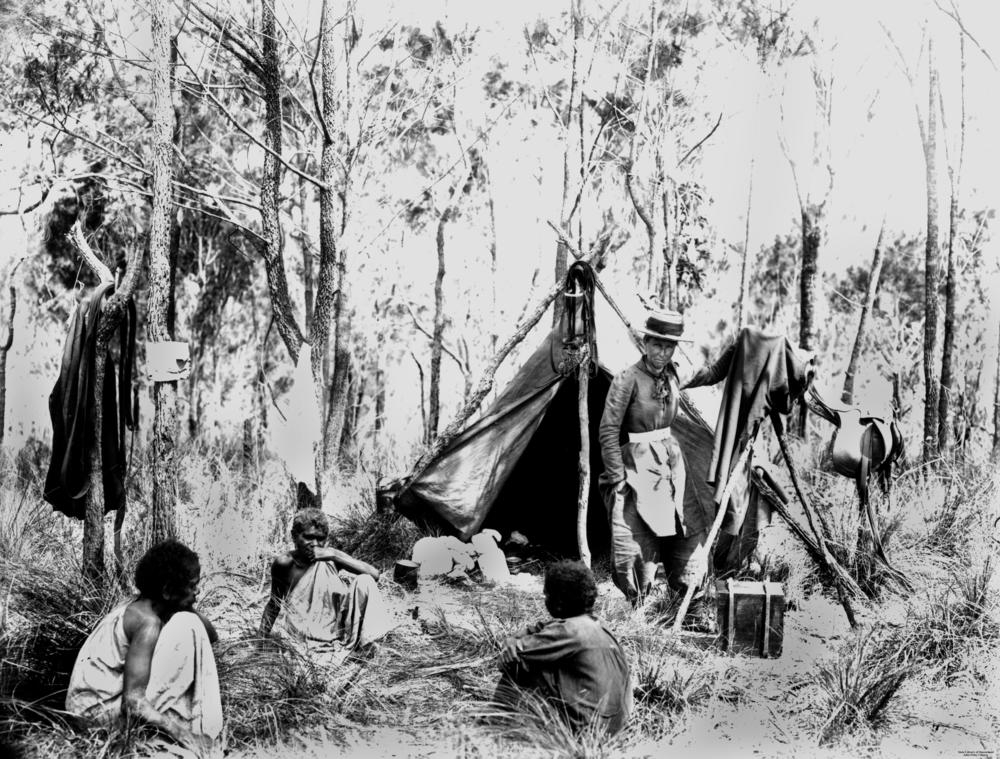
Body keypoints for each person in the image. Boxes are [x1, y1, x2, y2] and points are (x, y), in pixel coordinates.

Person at [66, 540, 223, 757]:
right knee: (188, 626)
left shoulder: (137, 604)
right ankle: (199, 734)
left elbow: (211, 635)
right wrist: (185, 735)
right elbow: (133, 703)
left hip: (84, 713)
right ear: (167, 591)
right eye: (192, 585)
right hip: (100, 722)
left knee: (190, 623)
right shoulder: (148, 624)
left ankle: (188, 733)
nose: (197, 591)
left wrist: (185, 602)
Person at [598, 307, 710, 609]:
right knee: (633, 541)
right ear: (645, 344)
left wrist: (740, 349)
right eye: (657, 345)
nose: (662, 352)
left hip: (671, 466)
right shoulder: (627, 379)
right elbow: (608, 431)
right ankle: (639, 603)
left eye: (669, 346)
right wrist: (619, 477)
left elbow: (708, 374)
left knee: (686, 529)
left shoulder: (674, 375)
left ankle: (688, 602)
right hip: (636, 467)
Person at [495, 560, 632, 735]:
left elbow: (506, 661)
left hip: (590, 733)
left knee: (519, 666)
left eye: (546, 596)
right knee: (534, 657)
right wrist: (513, 641)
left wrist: (511, 645)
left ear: (558, 601)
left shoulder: (568, 631)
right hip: (615, 729)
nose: (545, 600)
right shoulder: (594, 623)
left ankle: (497, 726)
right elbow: (538, 628)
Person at [259, 508, 392, 649]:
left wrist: (334, 556)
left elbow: (374, 575)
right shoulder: (285, 564)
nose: (315, 544)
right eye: (308, 537)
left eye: (320, 538)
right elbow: (274, 604)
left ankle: (370, 644)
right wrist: (259, 642)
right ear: (294, 536)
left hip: (337, 631)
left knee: (365, 581)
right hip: (302, 636)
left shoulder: (331, 557)